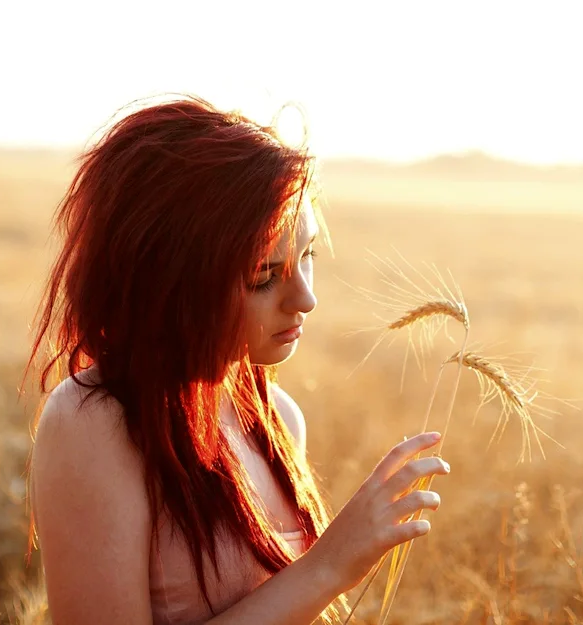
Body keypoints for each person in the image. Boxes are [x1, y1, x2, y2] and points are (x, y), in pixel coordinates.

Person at [25, 95, 450, 625]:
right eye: (263, 275)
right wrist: (330, 565)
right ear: (173, 280)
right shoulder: (93, 424)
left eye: (308, 257)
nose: (305, 299)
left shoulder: (277, 419)